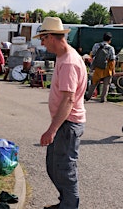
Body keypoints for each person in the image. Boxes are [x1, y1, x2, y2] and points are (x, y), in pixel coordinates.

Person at [33, 17, 87, 209]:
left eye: (43, 38)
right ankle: (66, 201)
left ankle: (70, 205)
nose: (42, 43)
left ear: (51, 37)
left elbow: (68, 99)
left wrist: (52, 130)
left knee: (65, 169)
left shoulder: (69, 62)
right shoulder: (63, 57)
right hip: (64, 122)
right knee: (54, 167)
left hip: (68, 123)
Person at [84, 32, 116, 103]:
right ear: (110, 40)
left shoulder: (96, 45)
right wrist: (113, 70)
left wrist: (92, 66)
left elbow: (92, 54)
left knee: (94, 83)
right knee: (106, 84)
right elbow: (112, 59)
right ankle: (103, 98)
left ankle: (88, 96)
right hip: (107, 68)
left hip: (98, 67)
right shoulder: (111, 48)